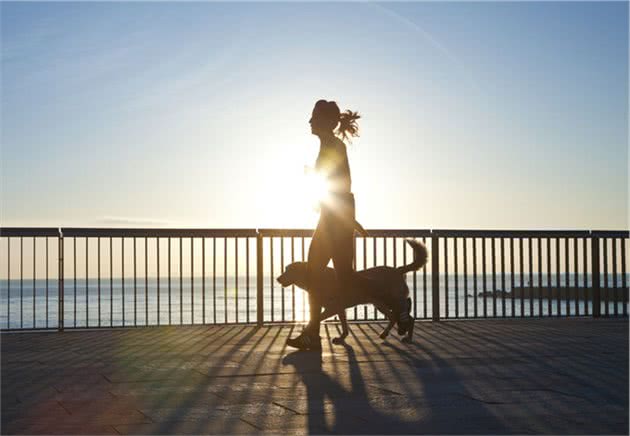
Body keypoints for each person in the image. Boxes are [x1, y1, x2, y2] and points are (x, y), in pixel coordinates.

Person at [286, 100, 412, 351]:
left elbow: (343, 185)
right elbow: (338, 184)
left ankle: (313, 334)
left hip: (334, 219)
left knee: (324, 275)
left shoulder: (333, 145)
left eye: (313, 117)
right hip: (333, 216)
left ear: (325, 121)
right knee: (341, 276)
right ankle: (395, 307)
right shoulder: (329, 145)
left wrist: (342, 216)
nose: (309, 121)